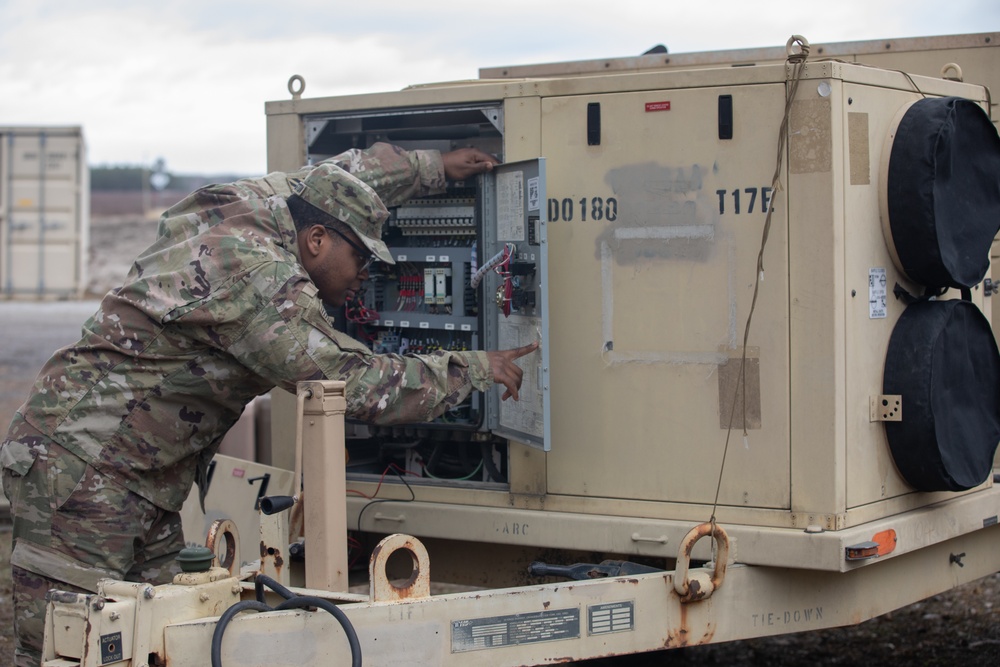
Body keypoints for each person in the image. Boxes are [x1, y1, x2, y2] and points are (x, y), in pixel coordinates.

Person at [0, 142, 538, 666]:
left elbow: (345, 172)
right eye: (361, 260)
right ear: (318, 240)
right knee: (66, 643)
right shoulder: (254, 280)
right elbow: (349, 381)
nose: (364, 278)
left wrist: (434, 167)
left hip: (140, 477)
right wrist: (471, 368)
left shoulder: (263, 204)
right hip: (81, 473)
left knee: (160, 635)